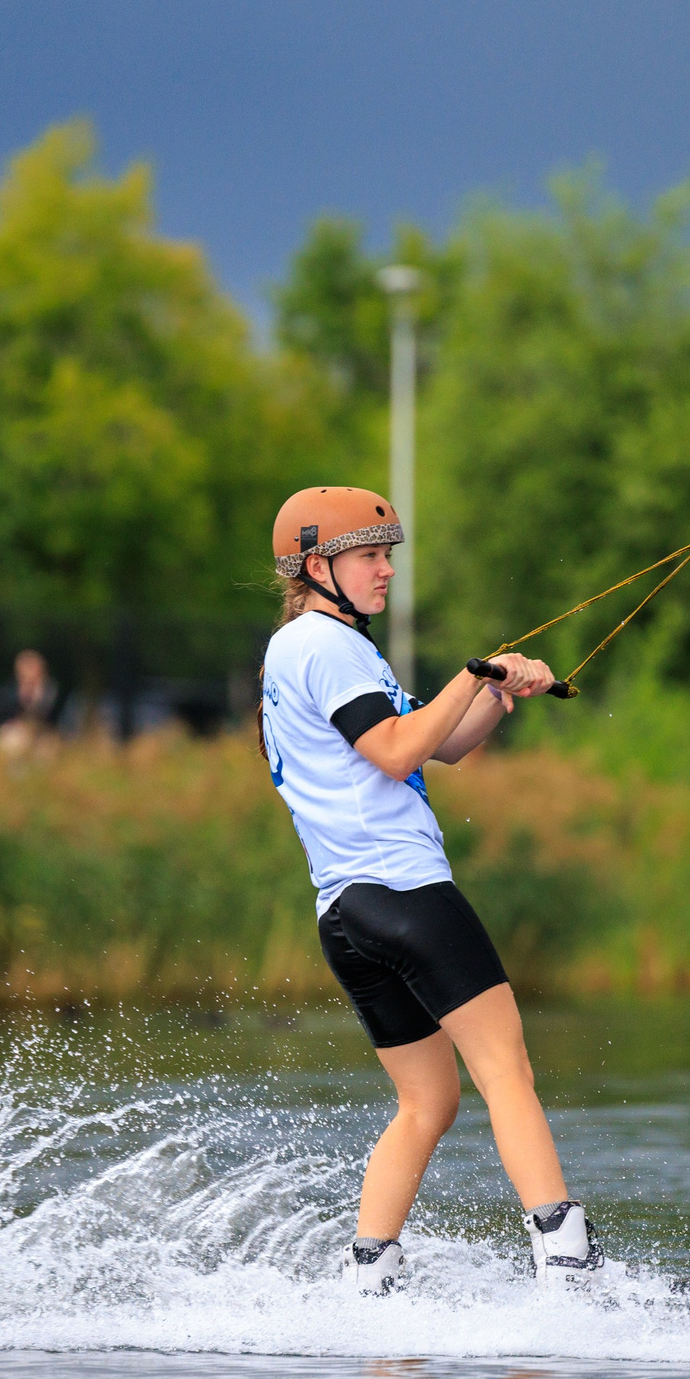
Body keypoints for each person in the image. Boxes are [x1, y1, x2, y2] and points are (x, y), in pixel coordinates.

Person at [256, 485, 599, 1295]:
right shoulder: (326, 646)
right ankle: (571, 1267)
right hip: (406, 892)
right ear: (316, 567)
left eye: (388, 556)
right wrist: (467, 673)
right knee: (504, 1066)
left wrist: (495, 694)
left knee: (429, 1101)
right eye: (370, 557)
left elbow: (443, 747)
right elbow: (401, 751)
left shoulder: (304, 651)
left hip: (348, 914)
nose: (385, 572)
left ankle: (367, 1280)